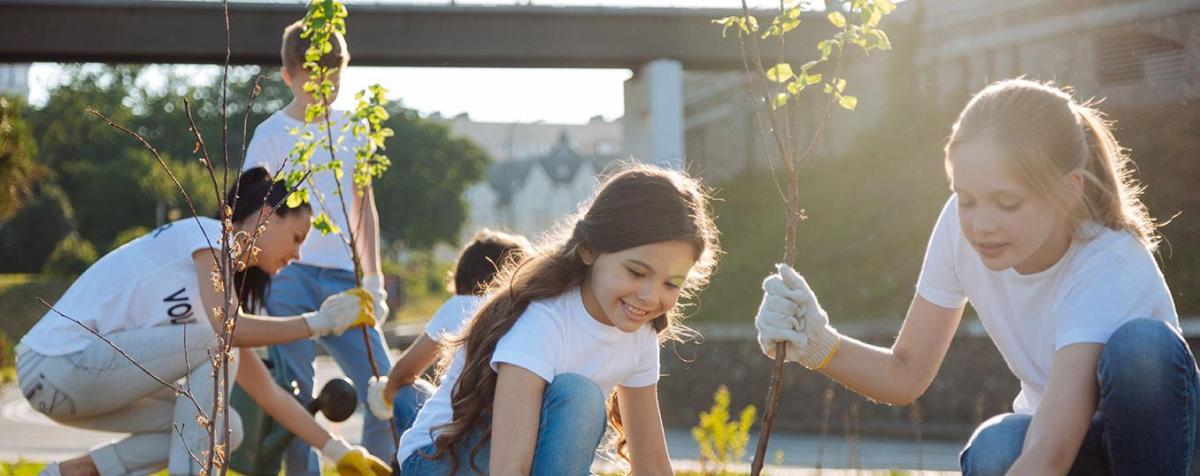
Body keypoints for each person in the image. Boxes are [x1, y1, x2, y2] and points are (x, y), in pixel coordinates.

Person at [755, 78, 1190, 475]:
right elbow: (905, 373)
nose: (982, 224)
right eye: (967, 199)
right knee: (997, 448)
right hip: (1073, 453)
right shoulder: (960, 231)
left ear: (1068, 189)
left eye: (1007, 203)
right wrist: (820, 344)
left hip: (1170, 451)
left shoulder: (1107, 262)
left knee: (1142, 348)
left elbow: (1051, 453)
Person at [18, 167, 389, 475]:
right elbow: (228, 330)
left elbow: (268, 393)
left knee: (226, 428)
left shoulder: (217, 295)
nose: (297, 255)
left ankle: (74, 473)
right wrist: (320, 322)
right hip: (55, 365)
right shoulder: (208, 235)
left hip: (80, 383)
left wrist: (339, 452)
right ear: (265, 216)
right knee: (218, 343)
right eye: (296, 237)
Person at [395, 164, 721, 474]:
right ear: (589, 249)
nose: (650, 296)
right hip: (440, 461)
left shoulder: (640, 334)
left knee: (577, 396)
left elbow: (652, 467)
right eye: (636, 272)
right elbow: (509, 469)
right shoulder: (543, 320)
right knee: (578, 394)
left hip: (510, 459)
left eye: (671, 283)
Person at [241, 18, 393, 471]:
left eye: (335, 80)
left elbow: (364, 208)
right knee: (298, 401)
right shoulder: (270, 135)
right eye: (313, 81)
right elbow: (251, 214)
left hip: (347, 278)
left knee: (384, 387)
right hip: (288, 278)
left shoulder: (354, 130)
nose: (324, 91)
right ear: (289, 75)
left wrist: (373, 280)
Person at [364, 229, 532, 450]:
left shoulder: (461, 305)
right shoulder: (529, 311)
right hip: (512, 436)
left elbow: (404, 372)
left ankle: (397, 464)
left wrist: (383, 396)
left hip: (456, 438)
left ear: (464, 278)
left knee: (405, 392)